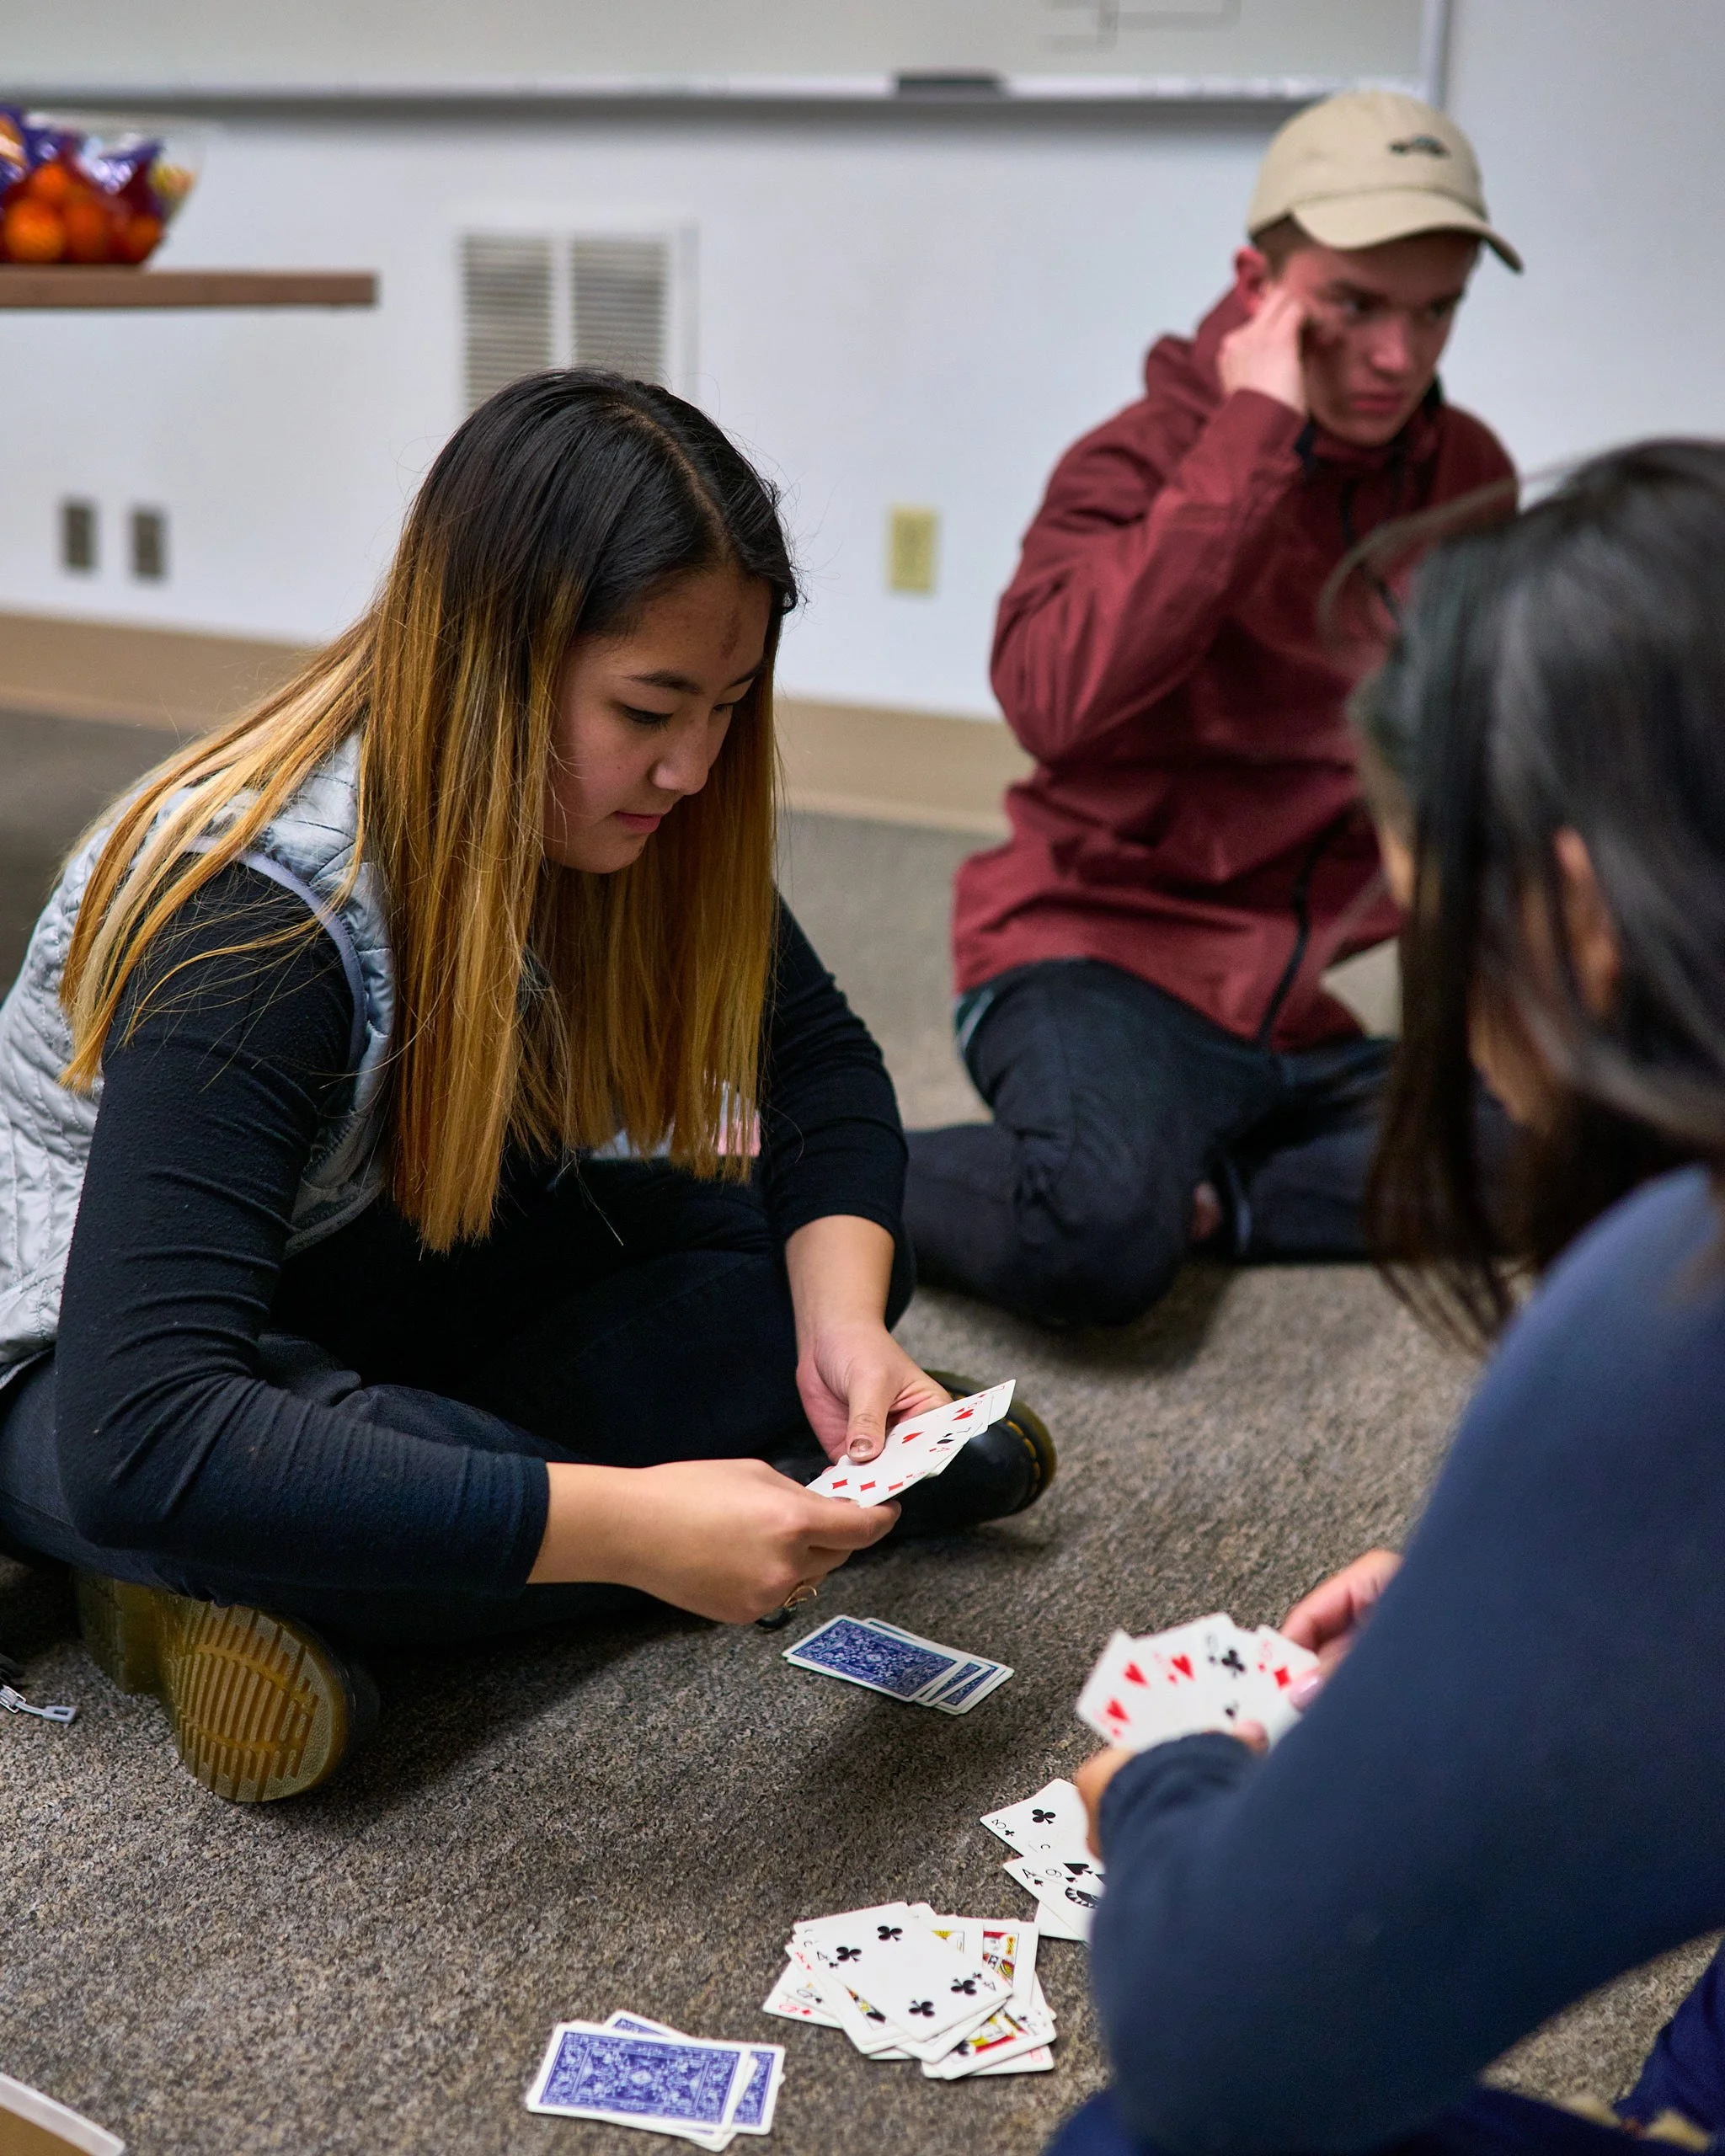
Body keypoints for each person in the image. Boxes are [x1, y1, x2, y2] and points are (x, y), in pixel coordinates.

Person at [0, 371, 1054, 1805]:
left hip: (341, 1254)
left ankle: (285, 1565)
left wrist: (845, 1327)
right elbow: (146, 1431)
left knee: (780, 1266)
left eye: (731, 707)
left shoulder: (641, 809)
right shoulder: (255, 924)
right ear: (492, 668)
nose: (693, 767)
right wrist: (628, 1532)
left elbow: (817, 1074)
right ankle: (197, 1586)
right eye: (649, 709)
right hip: (82, 1364)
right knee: (292, 1475)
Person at [1050, 440, 1725, 2155]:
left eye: (1430, 932)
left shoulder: (1678, 1297)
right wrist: (1537, 1600)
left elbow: (1224, 2034)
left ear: (1572, 912)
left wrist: (1173, 1779)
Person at [907, 89, 1521, 1327]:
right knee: (1091, 1236)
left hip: (1293, 1010)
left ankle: (1216, 1193)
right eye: (1355, 306)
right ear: (1260, 285)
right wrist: (1252, 439)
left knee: (1584, 1145)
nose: (1399, 358)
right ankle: (805, 1163)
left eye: (1435, 311)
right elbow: (1049, 701)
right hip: (1093, 962)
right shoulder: (1135, 458)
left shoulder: (1469, 479)